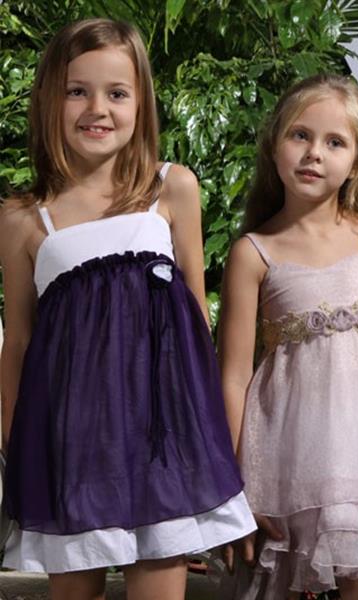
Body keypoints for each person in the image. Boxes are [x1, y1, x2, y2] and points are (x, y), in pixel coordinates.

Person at [0, 18, 255, 600]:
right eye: (77, 91)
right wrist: (16, 439)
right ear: (50, 99)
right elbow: (19, 341)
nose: (98, 109)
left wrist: (207, 432)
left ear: (141, 103)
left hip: (162, 440)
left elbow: (196, 316)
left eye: (117, 93)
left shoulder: (173, 188)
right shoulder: (23, 218)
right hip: (73, 441)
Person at [218, 74, 358, 600]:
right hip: (280, 466)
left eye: (334, 142)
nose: (314, 153)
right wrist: (237, 484)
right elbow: (233, 376)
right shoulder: (253, 252)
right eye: (300, 135)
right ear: (274, 142)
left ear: (357, 159)